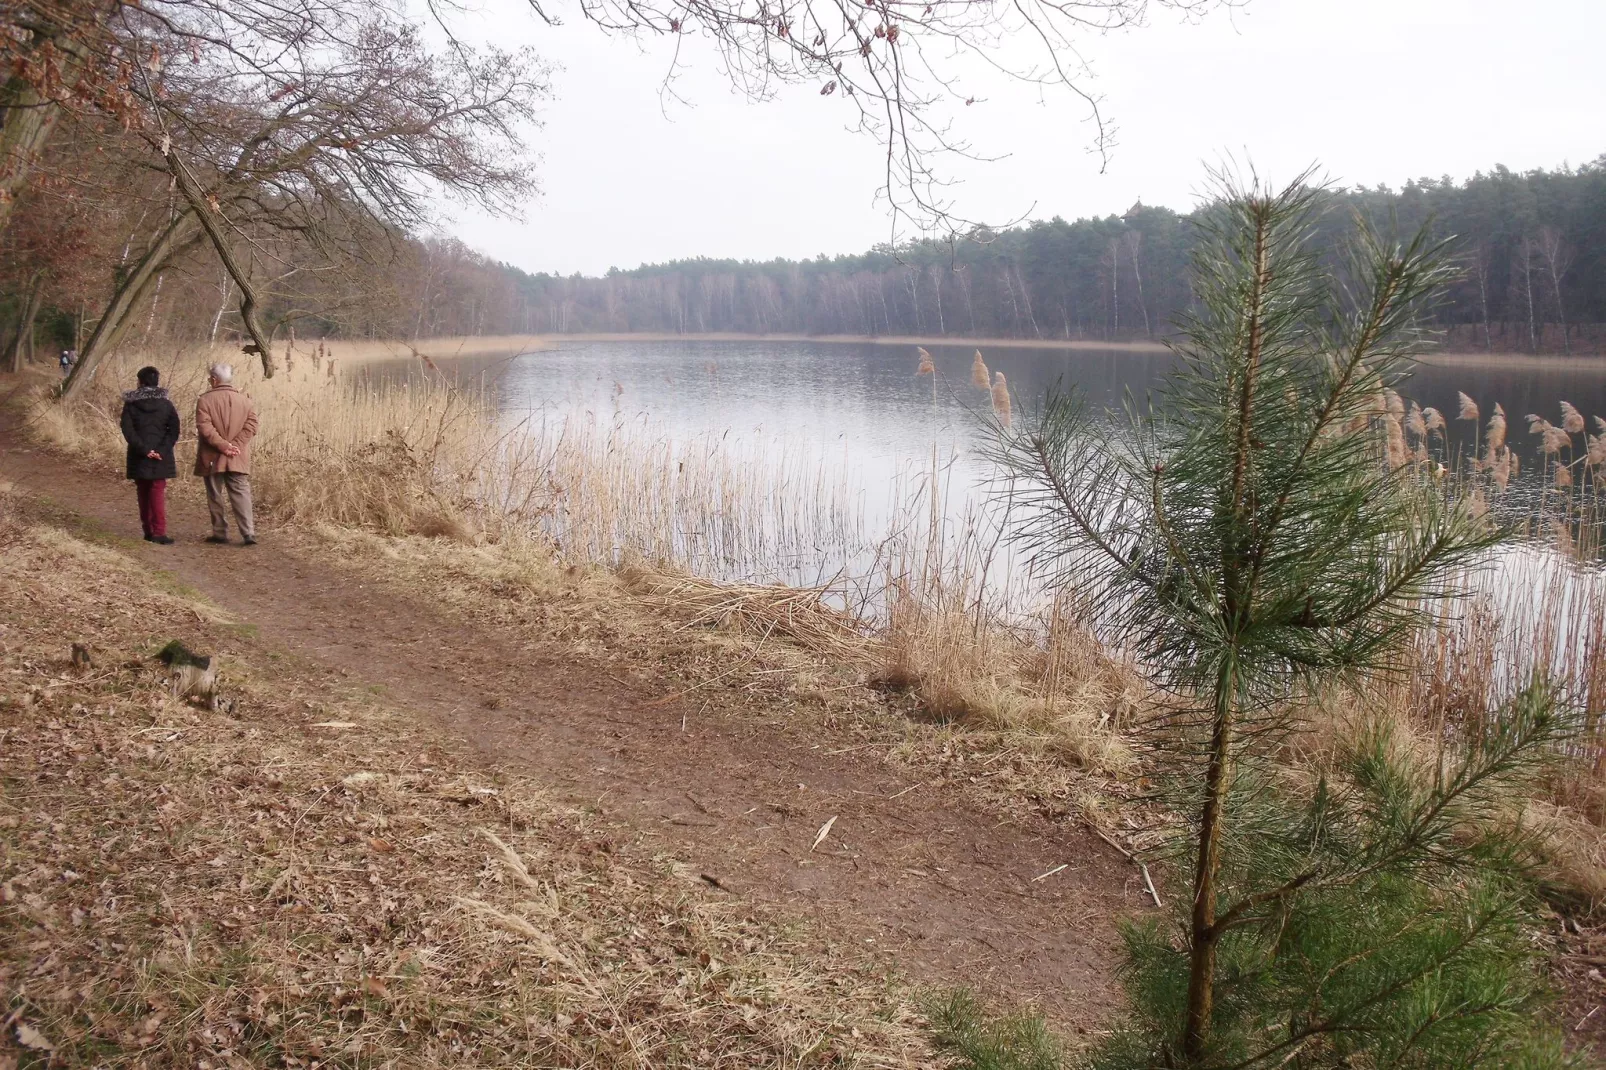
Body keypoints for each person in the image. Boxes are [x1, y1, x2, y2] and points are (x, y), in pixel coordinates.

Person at [194, 362, 259, 546]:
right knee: (241, 492)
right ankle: (248, 533)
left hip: (213, 455)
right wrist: (235, 446)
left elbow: (204, 427)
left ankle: (220, 532)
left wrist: (223, 446)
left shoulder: (204, 400)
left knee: (214, 493)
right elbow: (252, 426)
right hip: (237, 455)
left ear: (214, 380)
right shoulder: (245, 400)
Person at [119, 366, 181, 544]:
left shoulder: (131, 404)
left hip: (139, 455)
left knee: (143, 491)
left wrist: (144, 450)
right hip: (162, 456)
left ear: (140, 382)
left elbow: (127, 430)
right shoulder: (167, 405)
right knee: (157, 490)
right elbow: (174, 430)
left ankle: (148, 529)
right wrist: (161, 450)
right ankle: (159, 532)